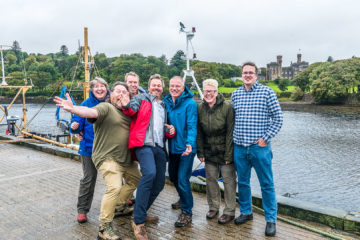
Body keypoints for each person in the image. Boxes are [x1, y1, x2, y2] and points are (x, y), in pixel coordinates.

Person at [54, 82, 141, 240]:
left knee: (136, 179)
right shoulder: (106, 108)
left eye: (124, 92)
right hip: (108, 157)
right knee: (114, 187)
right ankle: (104, 228)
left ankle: (117, 205)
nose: (121, 94)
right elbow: (90, 112)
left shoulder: (130, 113)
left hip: (126, 159)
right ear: (111, 95)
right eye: (117, 92)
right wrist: (73, 109)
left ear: (129, 96)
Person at [121, 74, 175, 240]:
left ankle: (140, 212)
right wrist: (125, 103)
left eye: (159, 85)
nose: (156, 87)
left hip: (158, 147)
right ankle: (138, 222)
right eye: (154, 85)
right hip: (143, 144)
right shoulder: (141, 98)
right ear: (149, 86)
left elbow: (161, 129)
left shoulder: (163, 105)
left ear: (162, 88)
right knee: (149, 174)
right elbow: (130, 109)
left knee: (159, 183)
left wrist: (170, 131)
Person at [231, 62, 283, 237]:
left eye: (250, 72)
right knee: (243, 183)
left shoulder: (267, 92)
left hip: (259, 148)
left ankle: (270, 220)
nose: (247, 75)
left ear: (256, 75)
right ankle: (246, 212)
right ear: (241, 75)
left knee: (266, 184)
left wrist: (265, 138)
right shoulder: (236, 94)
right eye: (244, 72)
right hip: (239, 147)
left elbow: (278, 119)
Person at [69, 77, 109, 224]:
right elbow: (77, 120)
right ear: (92, 90)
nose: (99, 89)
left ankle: (122, 203)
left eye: (102, 86)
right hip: (89, 148)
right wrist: (75, 127)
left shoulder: (111, 101)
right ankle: (82, 210)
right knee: (88, 179)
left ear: (106, 87)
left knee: (116, 177)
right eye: (96, 87)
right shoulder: (86, 104)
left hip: (109, 148)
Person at [196, 79, 236, 225]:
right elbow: (199, 132)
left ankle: (229, 211)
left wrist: (228, 155)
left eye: (211, 91)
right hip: (208, 151)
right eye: (206, 91)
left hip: (225, 150)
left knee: (228, 181)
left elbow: (230, 133)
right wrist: (200, 152)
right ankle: (213, 207)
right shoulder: (200, 108)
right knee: (211, 180)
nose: (208, 94)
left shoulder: (227, 108)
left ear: (216, 92)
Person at [163, 76, 197, 227]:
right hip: (173, 148)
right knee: (173, 177)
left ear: (183, 88)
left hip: (186, 149)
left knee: (183, 179)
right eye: (172, 86)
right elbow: (164, 124)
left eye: (178, 86)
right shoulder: (166, 103)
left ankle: (187, 212)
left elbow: (192, 126)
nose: (174, 89)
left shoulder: (190, 104)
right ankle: (183, 198)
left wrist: (189, 144)